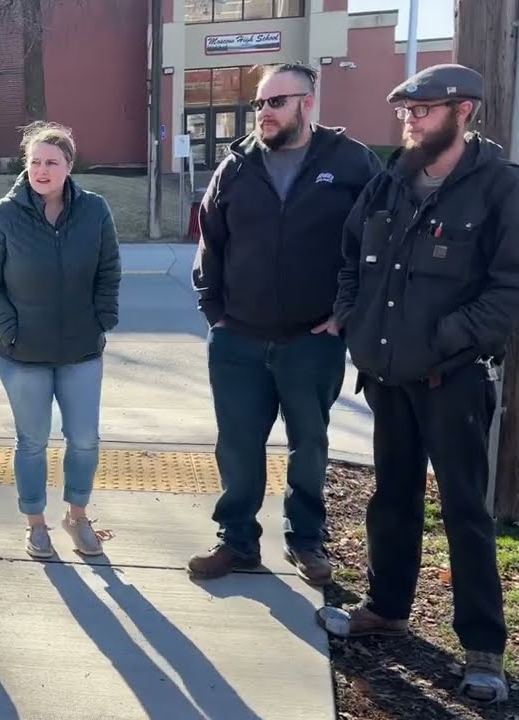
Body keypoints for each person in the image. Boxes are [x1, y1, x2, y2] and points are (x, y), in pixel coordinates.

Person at [319, 63, 519, 705]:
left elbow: (508, 290)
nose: (410, 120)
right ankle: (386, 608)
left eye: (423, 110)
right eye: (406, 111)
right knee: (393, 498)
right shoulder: (391, 180)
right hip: (387, 374)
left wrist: (445, 339)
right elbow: (350, 260)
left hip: (453, 379)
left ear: (464, 112)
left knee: (465, 511)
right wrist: (352, 318)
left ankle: (483, 649)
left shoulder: (500, 188)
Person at [189, 62, 383, 585]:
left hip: (312, 339)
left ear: (307, 103)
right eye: (259, 103)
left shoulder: (351, 163)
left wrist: (344, 313)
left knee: (309, 445)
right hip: (238, 339)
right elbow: (211, 242)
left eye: (276, 102)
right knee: (237, 445)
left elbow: (378, 245)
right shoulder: (236, 166)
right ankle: (237, 541)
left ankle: (306, 540)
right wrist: (215, 314)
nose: (264, 112)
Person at [0, 121, 121, 559]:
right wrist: (10, 330)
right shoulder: (2, 216)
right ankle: (36, 524)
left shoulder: (94, 210)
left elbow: (109, 270)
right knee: (33, 442)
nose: (42, 170)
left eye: (52, 162)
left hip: (81, 351)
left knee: (84, 439)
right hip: (22, 354)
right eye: (35, 162)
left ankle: (77, 517)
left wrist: (103, 318)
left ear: (69, 166)